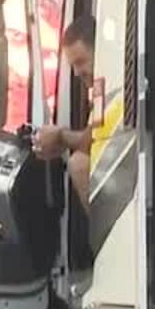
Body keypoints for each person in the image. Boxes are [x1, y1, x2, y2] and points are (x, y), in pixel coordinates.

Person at [32, 17, 97, 202]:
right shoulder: (100, 90)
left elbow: (94, 141)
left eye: (81, 61)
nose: (77, 73)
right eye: (73, 66)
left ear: (100, 51)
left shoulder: (113, 86)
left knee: (79, 164)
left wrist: (60, 136)